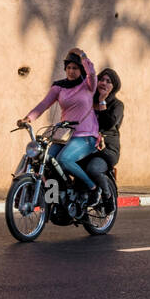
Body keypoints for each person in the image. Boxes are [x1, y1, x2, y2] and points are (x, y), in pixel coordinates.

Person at [17, 48, 99, 201]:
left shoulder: (88, 85)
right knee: (46, 160)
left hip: (85, 136)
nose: (71, 71)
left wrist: (83, 56)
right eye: (68, 67)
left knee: (64, 159)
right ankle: (57, 197)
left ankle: (92, 188)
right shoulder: (59, 87)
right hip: (64, 136)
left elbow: (92, 74)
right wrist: (28, 118)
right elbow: (44, 104)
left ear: (80, 69)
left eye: (75, 68)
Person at [85, 68, 122, 202]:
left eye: (108, 81)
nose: (104, 83)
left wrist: (102, 101)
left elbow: (108, 124)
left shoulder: (117, 105)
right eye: (101, 80)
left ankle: (107, 197)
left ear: (114, 86)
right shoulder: (88, 101)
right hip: (86, 146)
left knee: (93, 169)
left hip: (105, 150)